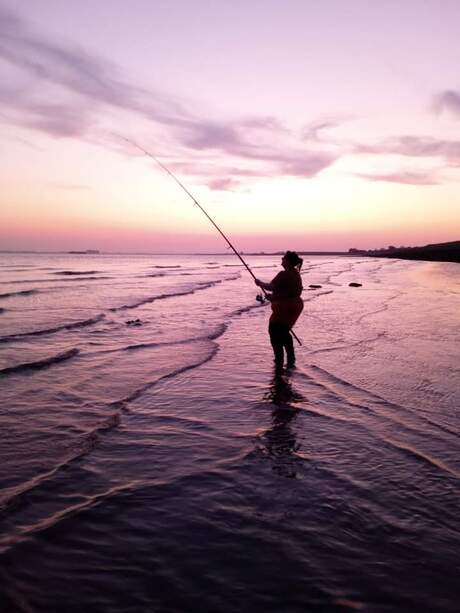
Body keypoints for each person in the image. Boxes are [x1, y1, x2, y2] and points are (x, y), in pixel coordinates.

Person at [255, 251, 304, 368]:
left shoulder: (283, 274)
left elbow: (271, 287)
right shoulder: (296, 274)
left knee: (274, 332)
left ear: (287, 261)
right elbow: (288, 292)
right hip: (296, 306)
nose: (281, 260)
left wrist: (259, 283)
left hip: (284, 308)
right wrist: (273, 297)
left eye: (283, 258)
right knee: (284, 331)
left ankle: (279, 361)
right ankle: (291, 359)